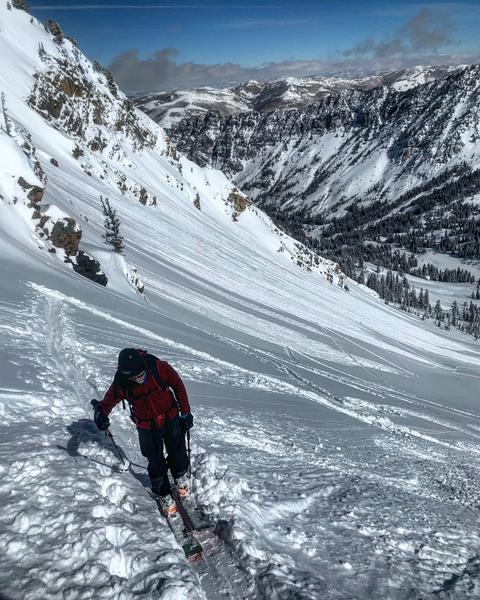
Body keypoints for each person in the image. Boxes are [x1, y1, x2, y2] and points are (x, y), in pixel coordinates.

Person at [93, 348, 194, 516]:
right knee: (154, 459)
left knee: (177, 450)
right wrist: (100, 414)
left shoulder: (159, 368)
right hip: (146, 424)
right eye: (133, 378)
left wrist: (186, 412)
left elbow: (178, 385)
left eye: (140, 376)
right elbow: (109, 399)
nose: (138, 380)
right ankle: (163, 493)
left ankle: (180, 476)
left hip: (170, 416)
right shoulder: (122, 382)